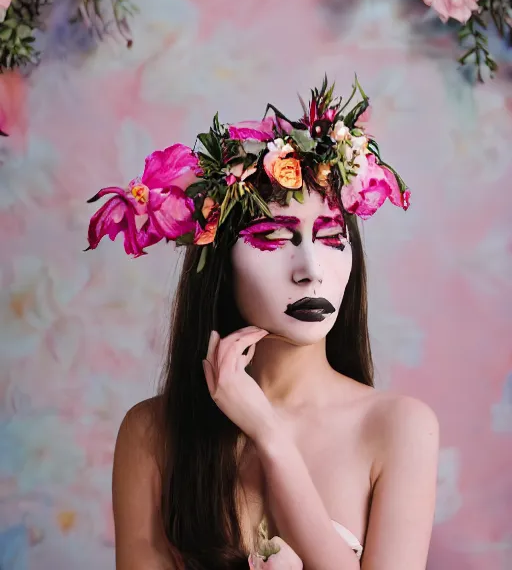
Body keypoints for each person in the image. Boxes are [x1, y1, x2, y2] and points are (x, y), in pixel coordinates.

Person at [86, 76, 439, 570]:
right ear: (220, 261)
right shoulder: (151, 433)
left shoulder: (399, 428)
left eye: (333, 237)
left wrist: (270, 436)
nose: (311, 270)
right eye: (273, 237)